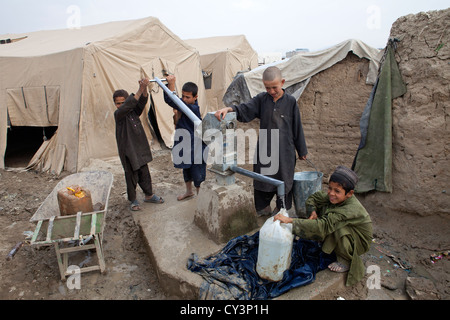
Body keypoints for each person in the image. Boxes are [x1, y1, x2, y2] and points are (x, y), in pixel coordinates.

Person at [215, 66, 308, 216]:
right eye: (267, 88)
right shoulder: (261, 99)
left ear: (282, 82)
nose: (271, 91)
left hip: (285, 150)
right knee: (263, 179)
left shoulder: (291, 102)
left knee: (285, 179)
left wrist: (302, 150)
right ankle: (263, 209)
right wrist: (230, 109)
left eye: (274, 87)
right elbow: (245, 109)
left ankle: (281, 208)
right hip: (266, 148)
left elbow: (297, 127)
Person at [274, 166, 373, 286]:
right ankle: (329, 243)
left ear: (349, 194)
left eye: (337, 191)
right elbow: (313, 198)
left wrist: (290, 221)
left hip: (358, 241)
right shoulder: (335, 197)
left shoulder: (350, 208)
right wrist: (313, 211)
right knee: (325, 206)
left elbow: (323, 226)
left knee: (337, 228)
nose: (331, 193)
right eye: (330, 188)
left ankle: (345, 260)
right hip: (343, 228)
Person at [114, 78, 164, 211]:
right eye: (118, 103)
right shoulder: (118, 114)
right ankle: (133, 200)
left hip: (139, 147)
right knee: (131, 175)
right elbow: (128, 105)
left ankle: (149, 195)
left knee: (144, 172)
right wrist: (140, 89)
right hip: (128, 150)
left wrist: (145, 89)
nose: (121, 105)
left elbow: (141, 102)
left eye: (123, 102)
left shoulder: (133, 113)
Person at [163, 75, 207, 201]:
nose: (184, 99)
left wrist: (171, 85)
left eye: (188, 97)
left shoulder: (192, 108)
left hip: (196, 146)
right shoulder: (185, 106)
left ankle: (200, 197)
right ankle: (189, 191)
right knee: (186, 168)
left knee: (197, 172)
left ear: (195, 97)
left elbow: (171, 100)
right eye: (183, 96)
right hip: (185, 143)